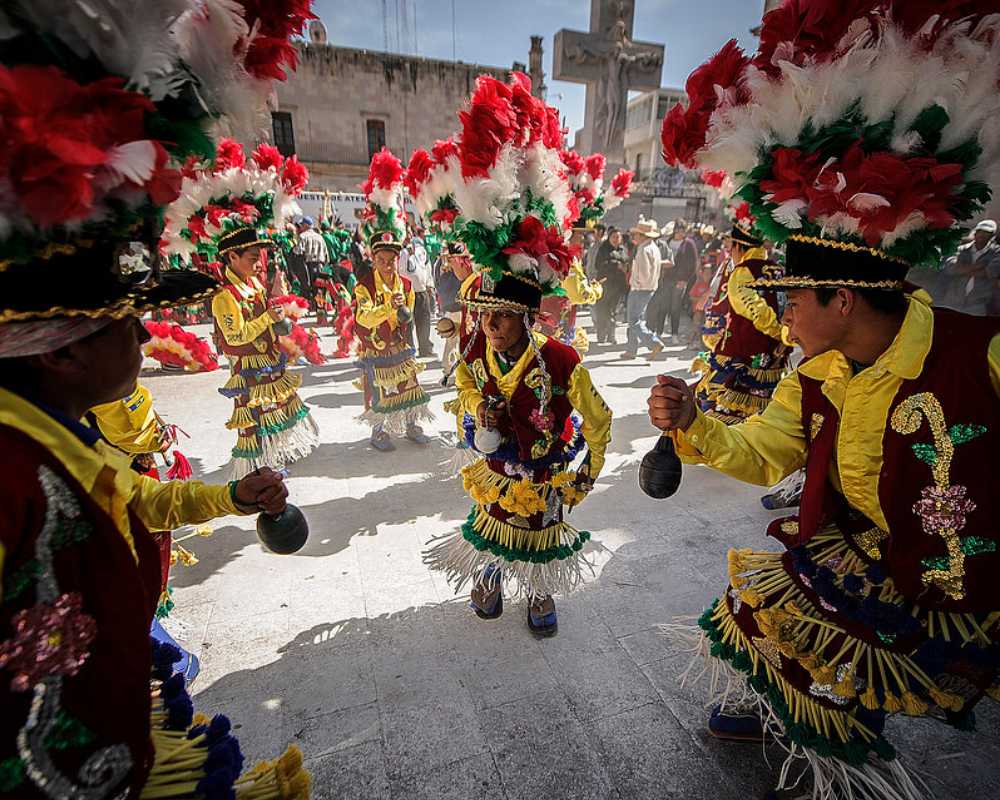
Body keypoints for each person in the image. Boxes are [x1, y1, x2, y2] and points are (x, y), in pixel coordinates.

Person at [656, 3, 1000, 797]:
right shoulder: (810, 374)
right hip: (854, 551)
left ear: (843, 299)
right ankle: (803, 713)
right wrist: (696, 424)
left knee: (853, 660)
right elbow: (766, 451)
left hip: (952, 585)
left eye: (792, 299)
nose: (780, 316)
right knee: (764, 609)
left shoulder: (979, 356)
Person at [0, 5, 315, 795]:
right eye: (127, 323)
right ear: (64, 350)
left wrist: (231, 496)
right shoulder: (8, 477)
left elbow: (131, 499)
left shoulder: (49, 443)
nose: (146, 342)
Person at [162, 140, 321, 480]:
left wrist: (277, 319)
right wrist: (267, 316)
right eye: (251, 258)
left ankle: (274, 458)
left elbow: (265, 320)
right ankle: (259, 468)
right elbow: (235, 335)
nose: (257, 262)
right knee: (255, 416)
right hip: (248, 367)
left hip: (267, 360)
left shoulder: (253, 283)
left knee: (275, 410)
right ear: (231, 257)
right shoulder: (224, 295)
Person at [354, 149, 433, 452]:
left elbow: (409, 315)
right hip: (376, 348)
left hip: (401, 345)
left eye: (392, 259)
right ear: (373, 258)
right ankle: (378, 431)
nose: (388, 264)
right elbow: (364, 318)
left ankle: (412, 424)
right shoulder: (363, 286)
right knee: (378, 390)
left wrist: (403, 310)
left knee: (410, 386)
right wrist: (388, 305)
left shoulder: (405, 282)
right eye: (382, 259)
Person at [690, 221, 790, 424]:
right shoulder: (777, 269)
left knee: (719, 407)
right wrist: (785, 336)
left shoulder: (744, 271)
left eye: (731, 247)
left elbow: (755, 310)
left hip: (743, 356)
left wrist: (779, 332)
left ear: (738, 246)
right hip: (774, 356)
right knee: (759, 412)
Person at [649, 220, 700, 343]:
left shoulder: (689, 244)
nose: (681, 232)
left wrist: (685, 280)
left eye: (683, 230)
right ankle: (659, 332)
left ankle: (674, 334)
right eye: (679, 229)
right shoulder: (667, 242)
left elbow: (693, 264)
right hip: (666, 279)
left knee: (675, 307)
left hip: (680, 280)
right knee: (663, 306)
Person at [624, 217, 665, 360]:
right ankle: (631, 349)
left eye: (636, 234)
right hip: (649, 288)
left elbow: (643, 273)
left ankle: (653, 342)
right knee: (637, 319)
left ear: (642, 236)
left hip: (640, 289)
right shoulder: (653, 248)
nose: (634, 236)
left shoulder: (643, 250)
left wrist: (636, 284)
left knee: (633, 321)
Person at [939, 219, 1000, 316]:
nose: (982, 235)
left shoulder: (996, 253)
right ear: (975, 232)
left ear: (992, 236)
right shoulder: (961, 249)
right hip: (953, 300)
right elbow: (950, 268)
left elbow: (989, 272)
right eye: (980, 231)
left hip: (978, 303)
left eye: (987, 233)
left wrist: (961, 269)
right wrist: (977, 266)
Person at [399, 228, 436, 357]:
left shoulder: (421, 250)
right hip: (408, 293)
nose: (408, 236)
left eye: (409, 233)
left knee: (424, 320)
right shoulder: (402, 253)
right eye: (405, 234)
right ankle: (410, 350)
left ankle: (425, 347)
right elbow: (401, 271)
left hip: (422, 291)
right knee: (408, 322)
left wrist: (429, 284)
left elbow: (427, 267)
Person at [593, 227, 630, 344]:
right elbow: (598, 265)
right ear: (609, 237)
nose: (616, 239)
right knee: (602, 310)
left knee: (613, 311)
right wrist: (615, 265)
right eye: (613, 237)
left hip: (618, 286)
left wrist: (625, 267)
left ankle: (611, 336)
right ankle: (601, 335)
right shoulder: (603, 249)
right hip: (605, 284)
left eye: (618, 237)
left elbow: (627, 261)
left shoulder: (622, 249)